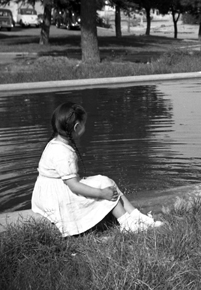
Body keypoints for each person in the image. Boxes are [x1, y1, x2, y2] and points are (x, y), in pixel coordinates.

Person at [31, 101, 164, 237]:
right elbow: (74, 187)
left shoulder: (56, 143)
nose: (85, 127)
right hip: (57, 197)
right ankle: (126, 223)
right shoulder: (63, 153)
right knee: (103, 185)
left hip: (55, 190)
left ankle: (135, 216)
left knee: (105, 180)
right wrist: (101, 193)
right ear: (77, 127)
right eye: (84, 124)